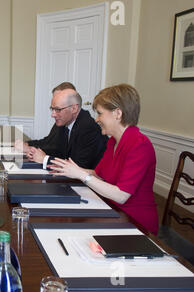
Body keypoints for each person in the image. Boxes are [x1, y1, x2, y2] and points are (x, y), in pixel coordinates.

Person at [50, 84, 159, 235]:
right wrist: (70, 170)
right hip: (111, 210)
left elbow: (121, 195)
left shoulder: (140, 145)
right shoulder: (113, 141)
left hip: (135, 222)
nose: (97, 119)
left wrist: (81, 175)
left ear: (117, 113)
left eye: (100, 113)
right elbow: (99, 174)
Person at [15, 82, 107, 169]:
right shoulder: (67, 122)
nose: (53, 114)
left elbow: (78, 167)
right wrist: (33, 151)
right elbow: (55, 148)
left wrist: (45, 159)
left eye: (58, 109)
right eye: (52, 109)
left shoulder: (87, 128)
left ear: (74, 108)